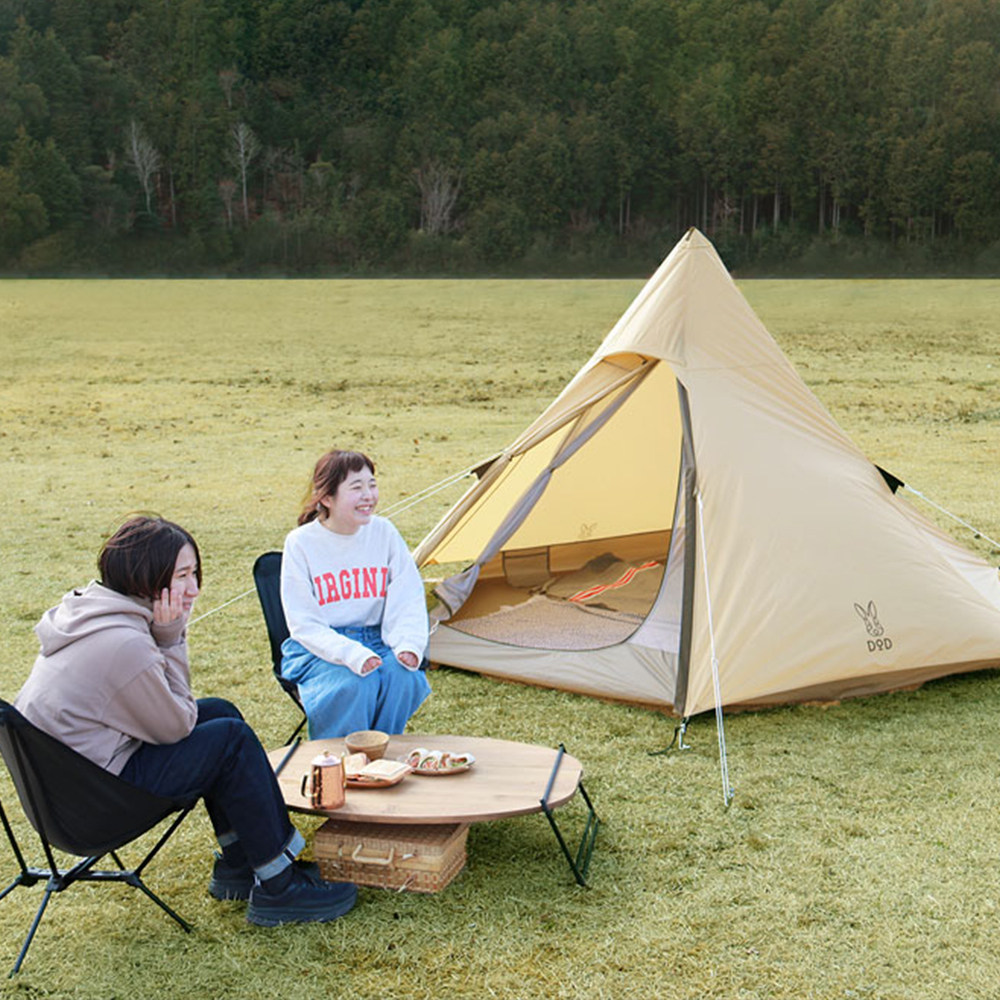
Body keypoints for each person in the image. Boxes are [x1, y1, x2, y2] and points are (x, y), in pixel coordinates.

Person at [14, 515, 356, 927]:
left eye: (195, 572)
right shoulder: (123, 644)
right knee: (229, 739)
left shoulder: (89, 611)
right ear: (146, 578)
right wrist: (172, 636)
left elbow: (183, 715)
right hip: (95, 806)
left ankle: (241, 863)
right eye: (183, 575)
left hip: (64, 795)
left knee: (220, 713)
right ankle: (280, 886)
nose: (194, 588)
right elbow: (177, 724)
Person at [280, 449, 431, 739]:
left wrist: (407, 644)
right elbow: (304, 623)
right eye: (356, 487)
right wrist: (350, 653)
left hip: (379, 639)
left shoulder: (384, 532)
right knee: (355, 683)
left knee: (403, 678)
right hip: (320, 647)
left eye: (372, 484)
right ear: (327, 498)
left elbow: (407, 598)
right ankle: (341, 763)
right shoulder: (301, 543)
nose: (368, 495)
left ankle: (382, 752)